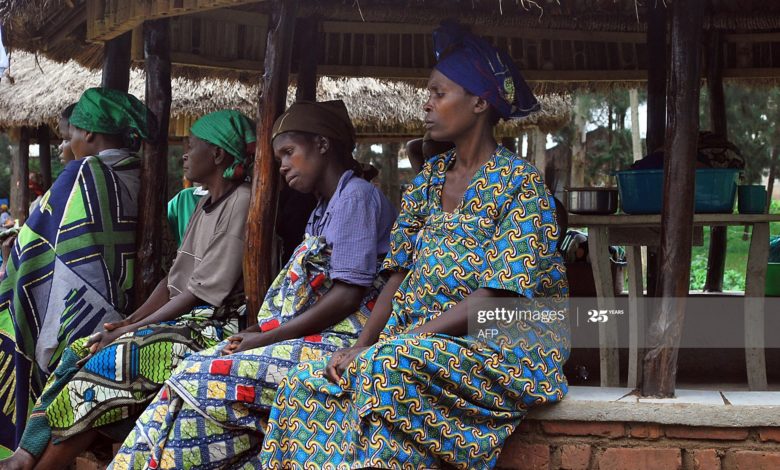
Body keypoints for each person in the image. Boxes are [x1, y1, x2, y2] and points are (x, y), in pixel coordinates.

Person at [260, 23, 569, 470]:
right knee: (303, 386)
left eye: (439, 93)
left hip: (502, 350)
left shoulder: (522, 187)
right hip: (417, 344)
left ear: (480, 102)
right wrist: (364, 343)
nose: (426, 103)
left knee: (385, 370)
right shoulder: (428, 180)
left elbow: (497, 297)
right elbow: (397, 275)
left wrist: (397, 343)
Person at [109, 100, 397, 470]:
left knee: (204, 375)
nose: (283, 166)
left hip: (345, 336)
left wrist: (266, 337)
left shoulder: (356, 197)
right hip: (314, 331)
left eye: (289, 153)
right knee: (192, 370)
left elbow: (346, 297)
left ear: (323, 145)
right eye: (279, 159)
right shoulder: (324, 208)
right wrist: (261, 328)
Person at [0, 110, 255, 470]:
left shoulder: (241, 202)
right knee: (79, 350)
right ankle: (26, 453)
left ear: (218, 155)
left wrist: (132, 330)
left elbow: (200, 293)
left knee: (105, 366)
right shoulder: (204, 204)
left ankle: (35, 466)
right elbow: (172, 281)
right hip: (188, 317)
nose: (184, 152)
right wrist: (128, 322)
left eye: (192, 144)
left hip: (215, 327)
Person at [0, 87, 153, 460]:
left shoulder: (85, 170)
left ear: (88, 134)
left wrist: (14, 261)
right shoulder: (141, 172)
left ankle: (25, 451)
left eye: (69, 136)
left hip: (86, 314)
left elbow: (40, 243)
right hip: (125, 300)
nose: (67, 144)